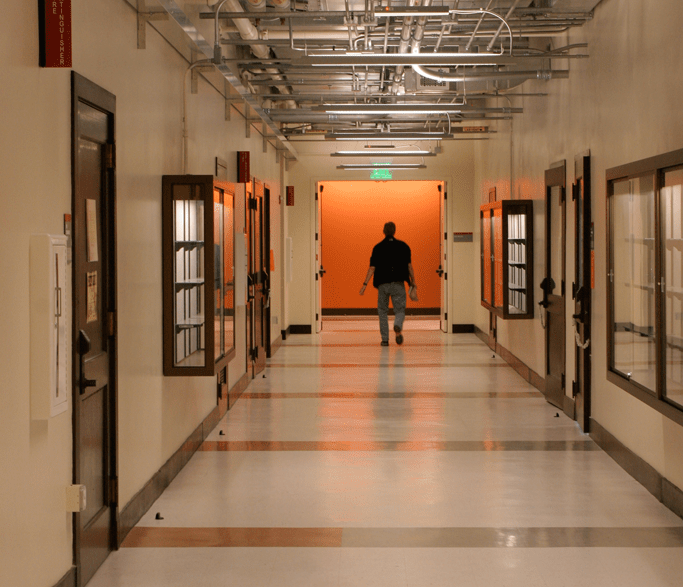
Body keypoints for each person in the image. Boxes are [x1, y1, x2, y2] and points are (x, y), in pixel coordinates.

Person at [359, 222, 416, 346]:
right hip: (398, 284)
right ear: (394, 231)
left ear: (383, 231)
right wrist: (413, 282)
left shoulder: (377, 247)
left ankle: (385, 340)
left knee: (382, 311)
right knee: (400, 310)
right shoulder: (403, 246)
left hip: (383, 285)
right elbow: (409, 267)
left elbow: (372, 268)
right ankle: (397, 325)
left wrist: (365, 284)